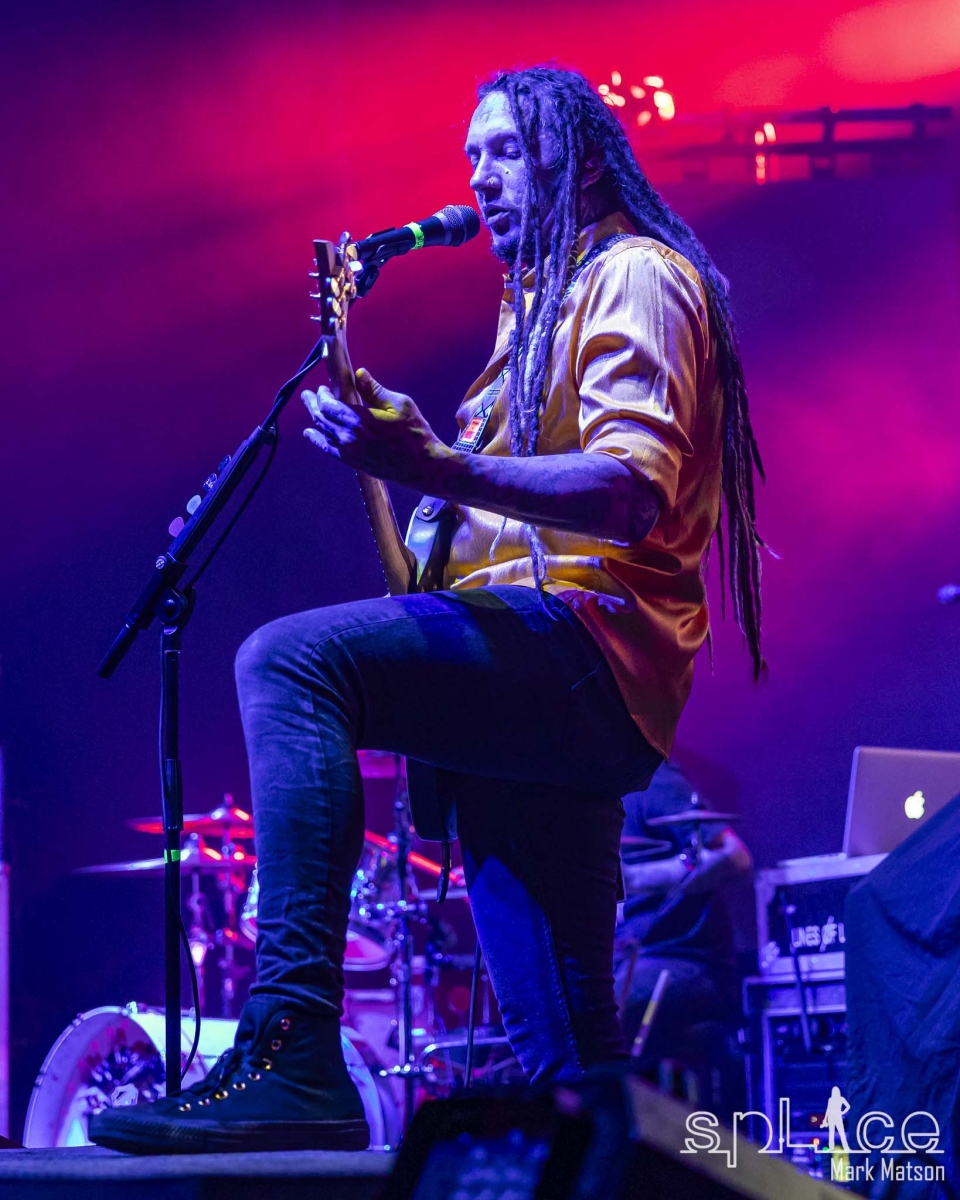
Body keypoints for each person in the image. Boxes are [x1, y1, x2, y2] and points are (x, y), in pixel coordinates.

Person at [90, 64, 764, 1154]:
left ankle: (292, 1050)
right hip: (539, 688)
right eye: (470, 158)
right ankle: (691, 1180)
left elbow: (629, 491)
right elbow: (435, 588)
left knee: (290, 664)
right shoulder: (527, 321)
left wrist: (439, 464)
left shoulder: (634, 273)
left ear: (585, 162)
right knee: (573, 1060)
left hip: (579, 648)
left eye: (507, 151)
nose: (480, 179)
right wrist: (387, 467)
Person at [614, 763, 752, 1071]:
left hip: (684, 961)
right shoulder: (583, 796)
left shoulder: (651, 780)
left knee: (606, 1012)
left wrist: (634, 877)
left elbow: (735, 857)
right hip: (622, 961)